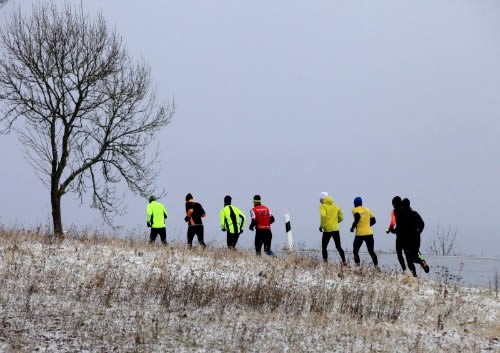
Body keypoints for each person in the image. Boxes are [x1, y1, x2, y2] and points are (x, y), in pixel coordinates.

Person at [396, 198, 430, 277]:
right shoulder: (415, 214)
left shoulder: (402, 216)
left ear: (402, 206)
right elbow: (422, 224)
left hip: (407, 241)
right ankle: (423, 261)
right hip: (416, 239)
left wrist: (394, 233)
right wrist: (419, 232)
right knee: (417, 252)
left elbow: (399, 229)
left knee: (409, 259)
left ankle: (414, 275)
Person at [319, 192, 347, 265]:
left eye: (320, 199)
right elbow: (341, 218)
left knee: (324, 247)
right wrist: (335, 222)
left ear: (322, 199)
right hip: (335, 229)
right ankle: (344, 261)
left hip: (327, 230)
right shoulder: (336, 206)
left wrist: (322, 226)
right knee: (338, 247)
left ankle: (325, 263)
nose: (319, 200)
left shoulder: (322, 206)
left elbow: (323, 216)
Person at [350, 196, 378, 267]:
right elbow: (374, 220)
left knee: (355, 251)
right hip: (369, 233)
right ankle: (376, 267)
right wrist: (367, 225)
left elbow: (357, 217)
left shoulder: (354, 209)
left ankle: (358, 266)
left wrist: (352, 228)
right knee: (371, 251)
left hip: (360, 234)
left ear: (355, 203)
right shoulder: (368, 209)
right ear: (361, 203)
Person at [386, 196, 406, 272]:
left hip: (400, 236)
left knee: (399, 253)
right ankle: (421, 260)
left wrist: (389, 229)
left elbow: (393, 223)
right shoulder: (406, 209)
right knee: (412, 252)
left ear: (394, 204)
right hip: (409, 235)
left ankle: (404, 269)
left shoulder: (394, 211)